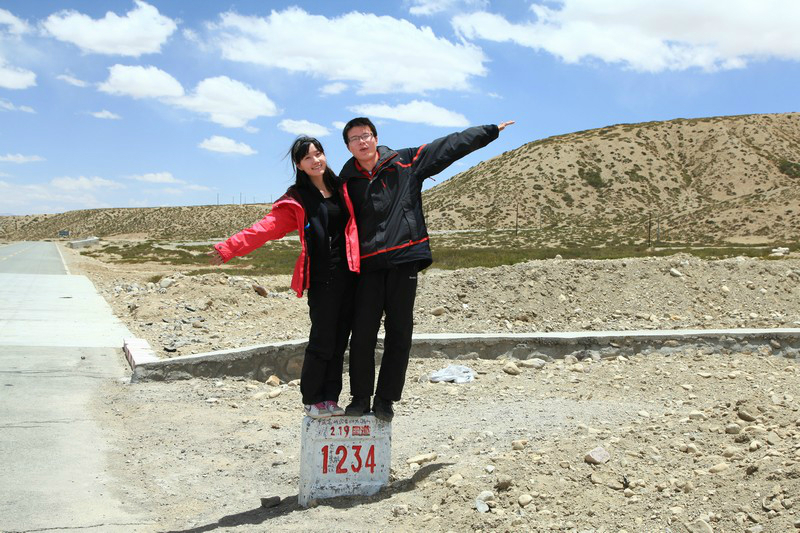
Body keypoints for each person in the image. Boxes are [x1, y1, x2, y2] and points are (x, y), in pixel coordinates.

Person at [339, 118, 515, 421]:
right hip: (368, 265)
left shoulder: (405, 162)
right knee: (363, 333)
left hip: (404, 259)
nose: (362, 142)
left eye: (365, 135)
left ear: (375, 138)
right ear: (348, 146)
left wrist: (488, 132)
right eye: (355, 138)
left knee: (399, 332)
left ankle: (385, 399)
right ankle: (360, 397)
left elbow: (448, 146)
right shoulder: (345, 181)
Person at [209, 136, 360, 419]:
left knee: (340, 341)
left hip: (351, 276)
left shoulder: (343, 189)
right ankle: (312, 399)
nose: (315, 160)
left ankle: (331, 398)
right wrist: (228, 248)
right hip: (323, 279)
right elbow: (264, 229)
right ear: (299, 165)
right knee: (322, 340)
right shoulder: (298, 199)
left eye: (318, 153)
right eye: (307, 157)